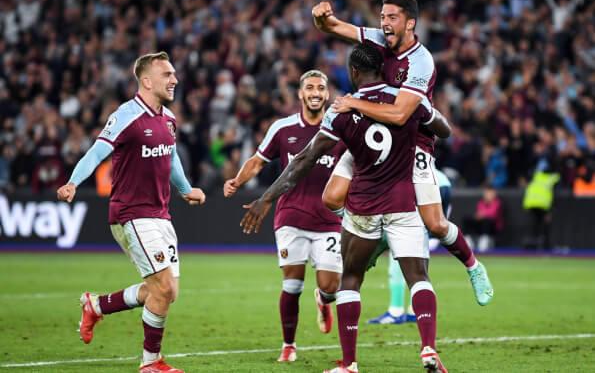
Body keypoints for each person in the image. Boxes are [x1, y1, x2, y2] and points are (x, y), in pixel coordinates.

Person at [240, 44, 448, 373]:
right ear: (383, 68)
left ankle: (349, 364)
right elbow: (444, 130)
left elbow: (304, 160)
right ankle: (428, 349)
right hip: (403, 203)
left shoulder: (343, 111)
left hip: (363, 207)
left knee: (349, 281)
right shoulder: (409, 100)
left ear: (353, 72)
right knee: (419, 277)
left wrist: (267, 198)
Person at [312, 0, 493, 306]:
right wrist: (320, 16)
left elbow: (399, 114)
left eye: (392, 17)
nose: (384, 23)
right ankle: (375, 237)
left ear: (410, 23)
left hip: (412, 142)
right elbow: (334, 27)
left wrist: (354, 101)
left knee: (435, 224)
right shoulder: (380, 38)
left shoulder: (421, 61)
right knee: (331, 196)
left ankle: (473, 267)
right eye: (383, 16)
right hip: (373, 138)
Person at [56, 52, 206, 373]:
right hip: (131, 213)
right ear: (147, 81)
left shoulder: (168, 119)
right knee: (163, 288)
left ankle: (95, 304)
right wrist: (72, 182)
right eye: (167, 74)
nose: (175, 79)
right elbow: (97, 151)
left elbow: (172, 158)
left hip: (160, 214)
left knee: (166, 292)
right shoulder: (126, 115)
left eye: (174, 74)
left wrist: (185, 189)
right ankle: (150, 363)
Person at [224, 70, 346, 363]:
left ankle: (323, 300)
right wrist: (237, 181)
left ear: (327, 95)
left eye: (320, 88)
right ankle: (289, 345)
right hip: (290, 216)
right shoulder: (283, 128)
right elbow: (258, 160)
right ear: (301, 94)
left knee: (330, 287)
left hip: (330, 218)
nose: (315, 92)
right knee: (292, 283)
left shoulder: (340, 129)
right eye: (309, 88)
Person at [323, 154, 454, 324]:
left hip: (410, 196)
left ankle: (396, 310)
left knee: (397, 255)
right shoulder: (440, 175)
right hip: (433, 190)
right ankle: (413, 311)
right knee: (417, 263)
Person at [463, 186, 504, 252]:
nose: (488, 195)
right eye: (486, 193)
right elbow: (479, 213)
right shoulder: (481, 202)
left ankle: (484, 242)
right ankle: (468, 240)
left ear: (494, 194)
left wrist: (482, 215)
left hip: (493, 226)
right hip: (482, 224)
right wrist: (477, 216)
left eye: (490, 193)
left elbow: (492, 214)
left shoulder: (497, 202)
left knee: (487, 221)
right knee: (467, 219)